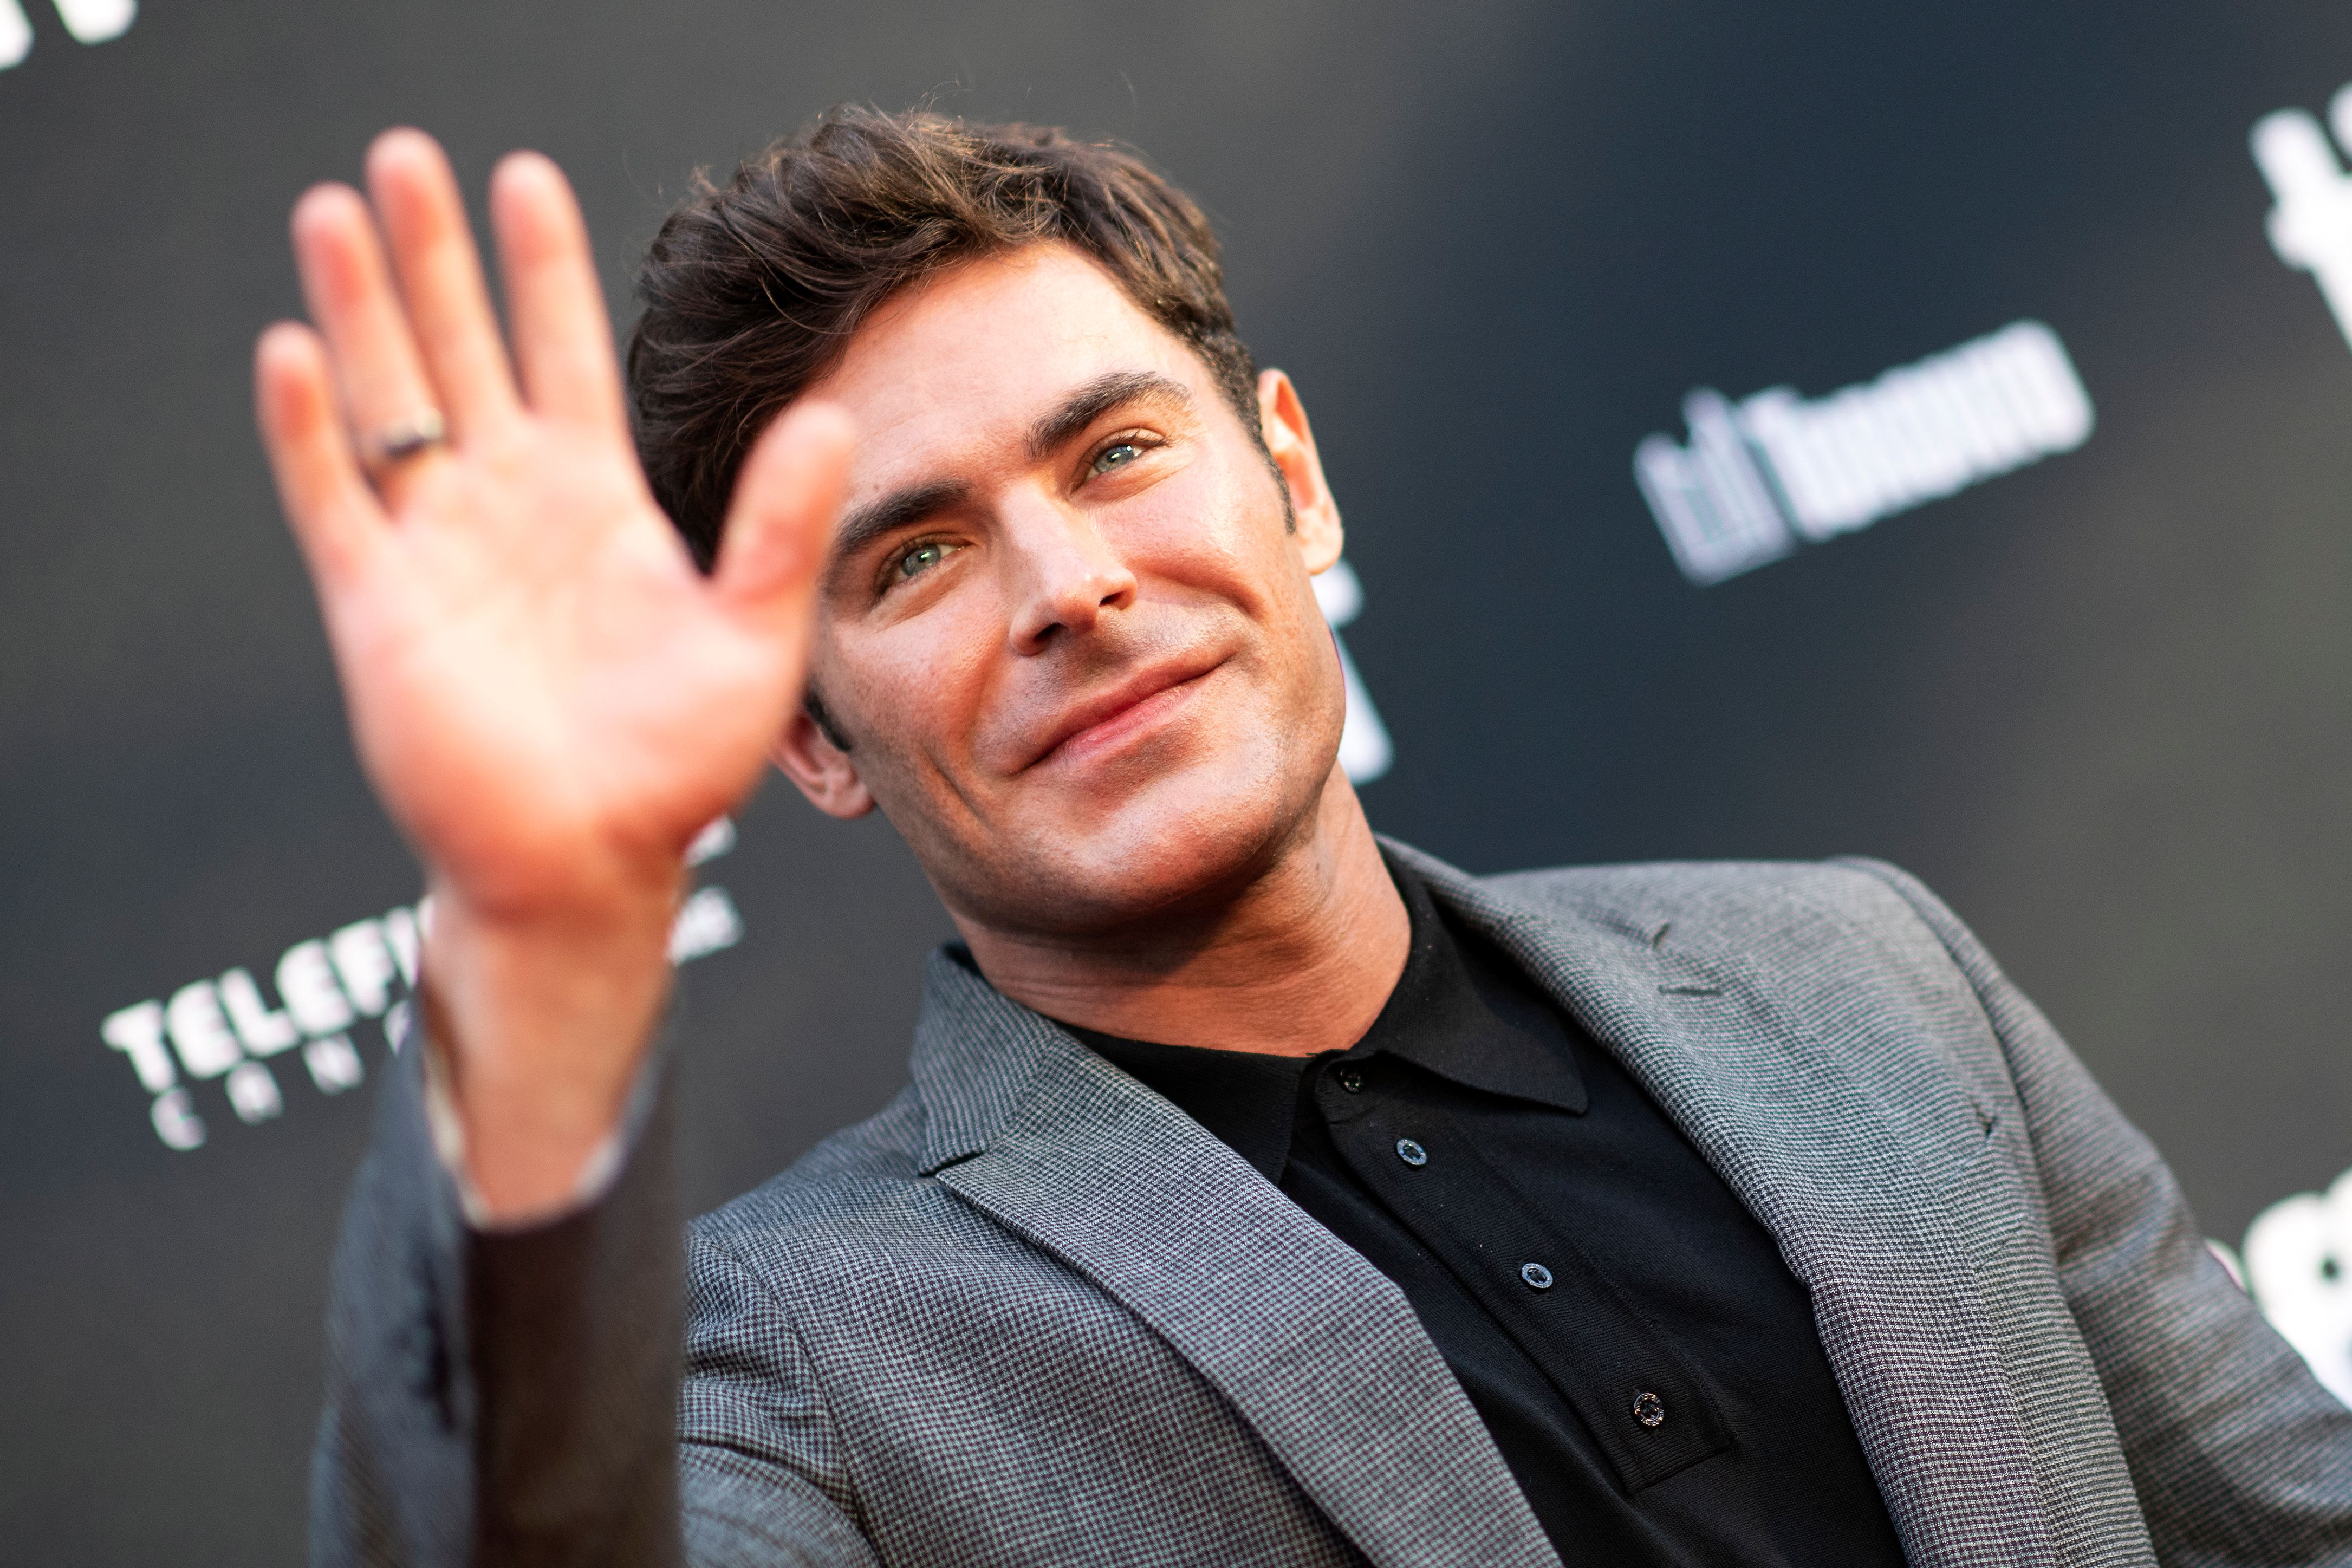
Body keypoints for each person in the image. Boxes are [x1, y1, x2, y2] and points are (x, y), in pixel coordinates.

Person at [257, 108, 2352, 1568]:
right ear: (807, 737)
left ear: (1296, 480)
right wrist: (538, 958)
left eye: (1119, 450)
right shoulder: (785, 1358)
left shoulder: (1864, 970)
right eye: (912, 560)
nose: (1071, 582)